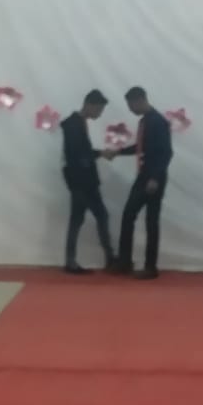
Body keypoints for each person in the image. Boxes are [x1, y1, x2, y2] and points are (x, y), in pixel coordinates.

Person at [114, 86, 173, 280]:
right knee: (131, 216)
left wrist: (154, 178)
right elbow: (141, 147)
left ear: (139, 100)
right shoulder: (145, 121)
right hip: (144, 175)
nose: (130, 110)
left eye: (131, 106)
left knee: (149, 221)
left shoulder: (158, 122)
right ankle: (126, 262)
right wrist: (118, 152)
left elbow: (166, 153)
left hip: (153, 177)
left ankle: (149, 266)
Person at [59, 89, 115, 275]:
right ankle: (108, 257)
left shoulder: (77, 123)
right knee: (96, 216)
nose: (99, 114)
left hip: (82, 181)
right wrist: (101, 153)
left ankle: (72, 261)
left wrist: (97, 154)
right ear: (89, 105)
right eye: (99, 109)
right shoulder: (73, 125)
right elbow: (77, 154)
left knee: (79, 219)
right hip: (82, 182)